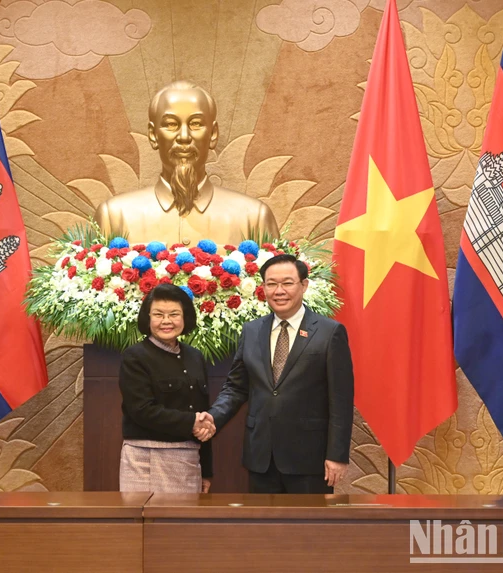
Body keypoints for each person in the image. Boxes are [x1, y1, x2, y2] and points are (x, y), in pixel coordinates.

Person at [199, 254, 354, 493]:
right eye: (271, 284)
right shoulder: (252, 330)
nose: (279, 291)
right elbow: (236, 387)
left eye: (287, 283)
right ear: (263, 288)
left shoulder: (329, 332)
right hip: (261, 456)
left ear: (304, 285)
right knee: (263, 529)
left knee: (307, 528)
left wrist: (337, 455)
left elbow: (341, 400)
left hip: (309, 458)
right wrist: (213, 417)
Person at [94, 80, 279, 247]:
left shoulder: (254, 218)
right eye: (171, 125)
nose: (184, 137)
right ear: (153, 135)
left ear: (213, 134)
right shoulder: (115, 217)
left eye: (196, 124)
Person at [118, 283, 216, 493]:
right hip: (146, 460)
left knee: (184, 525)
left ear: (185, 317)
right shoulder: (135, 356)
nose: (166, 321)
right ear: (147, 318)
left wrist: (205, 470)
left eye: (174, 314)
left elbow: (201, 415)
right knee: (149, 524)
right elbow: (141, 410)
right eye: (158, 314)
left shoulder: (195, 357)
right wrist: (192, 422)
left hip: (189, 459)